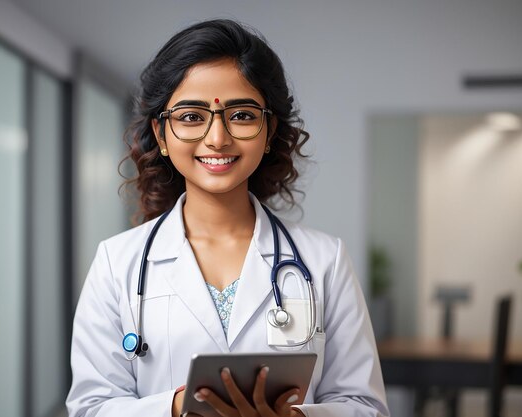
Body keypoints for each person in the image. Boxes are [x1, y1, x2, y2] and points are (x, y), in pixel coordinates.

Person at [66, 19, 389, 417]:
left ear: (269, 130)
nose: (217, 138)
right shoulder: (117, 264)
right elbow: (90, 408)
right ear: (161, 134)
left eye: (241, 115)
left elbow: (366, 408)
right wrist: (175, 407)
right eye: (190, 117)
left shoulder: (324, 261)